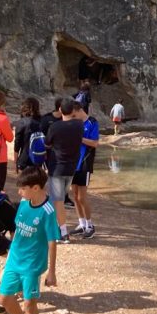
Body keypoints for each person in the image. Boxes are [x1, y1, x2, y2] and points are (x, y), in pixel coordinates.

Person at [0, 166, 59, 314]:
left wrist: (51, 272)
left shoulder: (48, 211)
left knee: (29, 303)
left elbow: (52, 242)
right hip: (15, 260)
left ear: (36, 188)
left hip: (32, 265)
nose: (19, 192)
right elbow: (17, 230)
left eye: (23, 188)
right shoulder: (24, 203)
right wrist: (10, 253)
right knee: (4, 299)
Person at [44, 99, 85, 243]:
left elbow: (47, 143)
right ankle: (58, 228)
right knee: (60, 199)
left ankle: (63, 233)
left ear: (60, 110)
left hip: (57, 167)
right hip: (71, 168)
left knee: (58, 201)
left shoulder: (55, 127)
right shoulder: (79, 125)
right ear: (73, 111)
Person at [70, 101, 100, 238]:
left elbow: (95, 143)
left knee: (82, 197)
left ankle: (90, 225)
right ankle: (81, 223)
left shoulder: (92, 122)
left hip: (84, 163)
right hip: (73, 163)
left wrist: (80, 139)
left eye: (74, 115)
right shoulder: (74, 123)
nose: (73, 117)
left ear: (79, 110)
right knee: (75, 196)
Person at [14, 98, 42, 172]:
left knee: (23, 179)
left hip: (24, 158)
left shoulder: (22, 122)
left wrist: (15, 160)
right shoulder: (42, 121)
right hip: (38, 157)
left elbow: (17, 143)